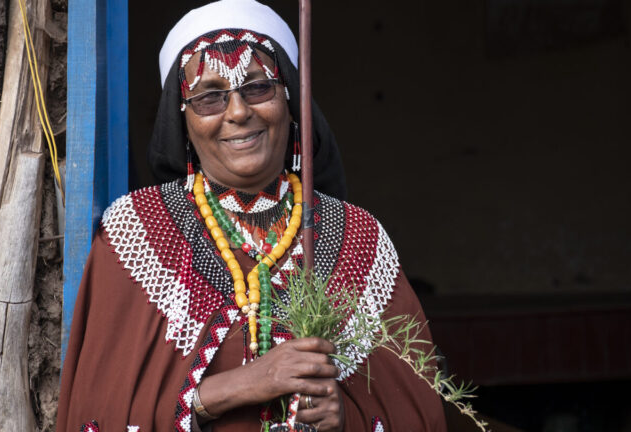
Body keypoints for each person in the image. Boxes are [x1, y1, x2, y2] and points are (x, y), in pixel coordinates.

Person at [56, 1, 446, 431]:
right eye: (209, 97)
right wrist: (236, 387)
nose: (238, 112)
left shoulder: (359, 238)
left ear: (291, 101)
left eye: (258, 88)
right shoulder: (138, 230)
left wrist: (346, 420)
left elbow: (417, 413)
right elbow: (97, 414)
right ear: (181, 120)